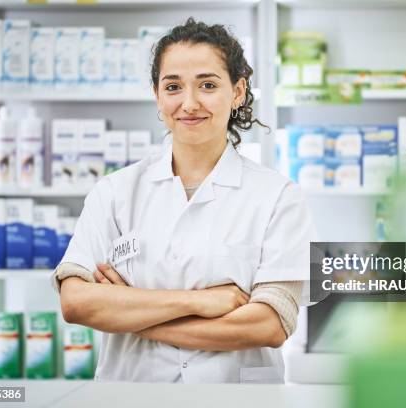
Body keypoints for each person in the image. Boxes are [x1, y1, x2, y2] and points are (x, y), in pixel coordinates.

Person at [52, 18, 317, 383]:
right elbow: (76, 303)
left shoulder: (277, 197)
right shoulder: (114, 192)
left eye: (207, 85)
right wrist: (198, 301)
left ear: (238, 91)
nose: (189, 103)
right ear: (157, 94)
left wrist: (130, 312)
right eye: (173, 86)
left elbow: (269, 324)